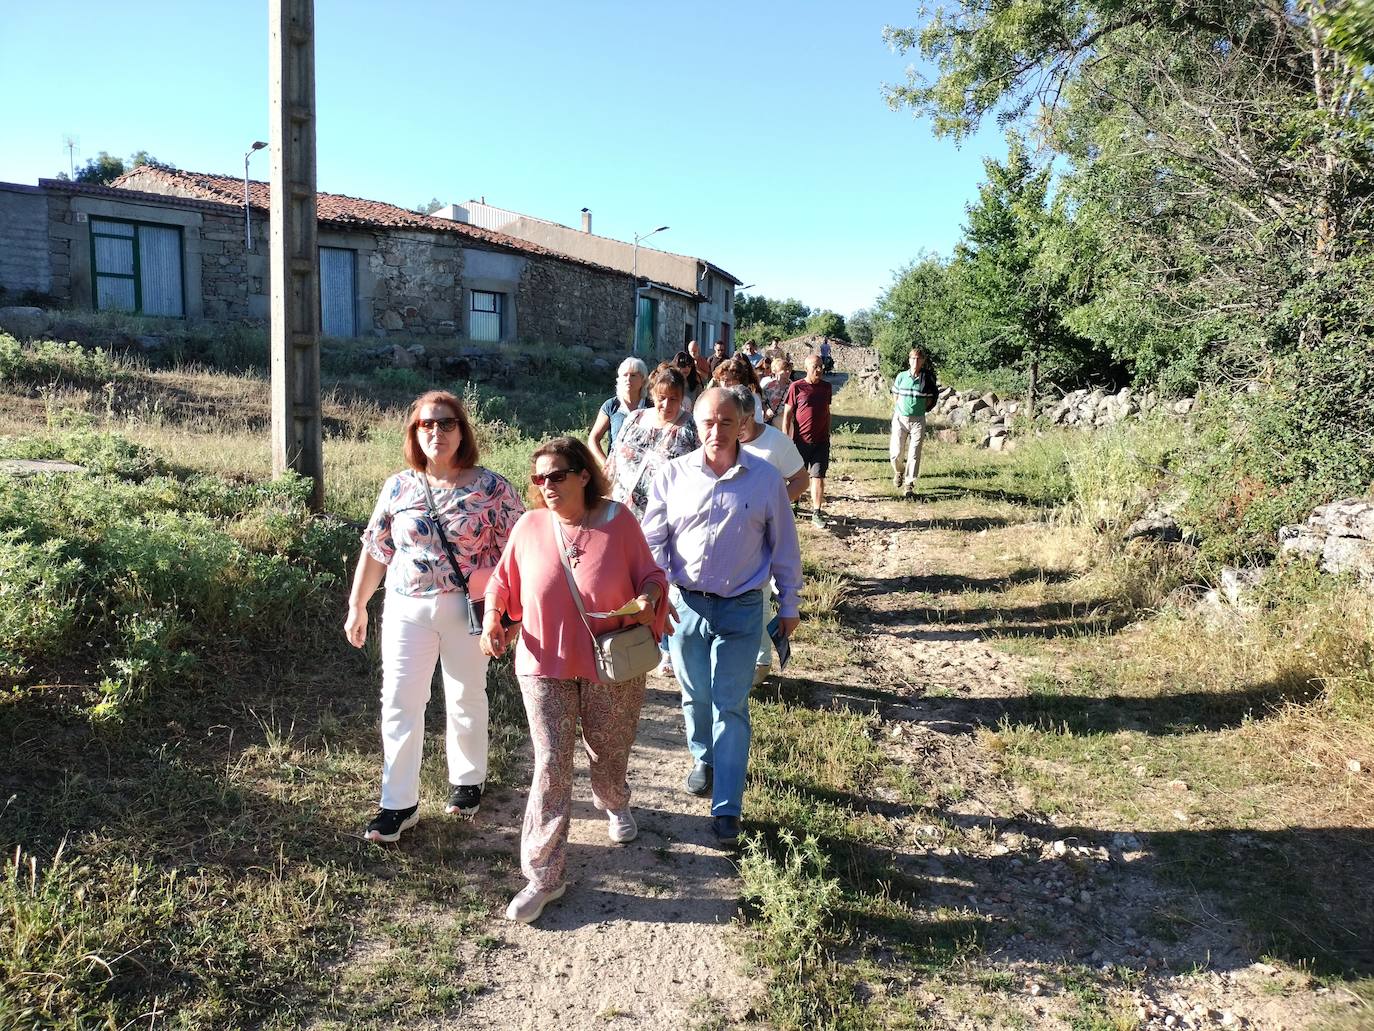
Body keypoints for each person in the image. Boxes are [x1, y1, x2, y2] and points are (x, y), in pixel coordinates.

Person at [482, 437, 670, 924]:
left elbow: (652, 575)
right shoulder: (528, 525)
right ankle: (544, 875)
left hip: (612, 662)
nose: (546, 486)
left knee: (609, 748)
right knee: (551, 759)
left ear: (583, 475)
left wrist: (649, 600)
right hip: (544, 661)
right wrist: (492, 623)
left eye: (557, 476)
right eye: (539, 478)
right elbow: (501, 584)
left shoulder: (618, 520)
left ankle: (613, 799)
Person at [346, 390, 525, 844]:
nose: (436, 432)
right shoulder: (398, 486)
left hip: (468, 609)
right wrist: (357, 604)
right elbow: (377, 549)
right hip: (406, 608)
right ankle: (397, 804)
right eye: (426, 424)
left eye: (446, 423)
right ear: (414, 432)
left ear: (462, 430)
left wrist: (511, 616)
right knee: (400, 701)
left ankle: (468, 781)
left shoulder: (492, 487)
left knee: (467, 694)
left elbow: (520, 554)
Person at [642, 388, 803, 847]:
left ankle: (728, 805)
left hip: (742, 609)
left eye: (726, 423)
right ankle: (703, 759)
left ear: (742, 424)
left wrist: (789, 604)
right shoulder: (671, 476)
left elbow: (785, 549)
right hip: (686, 606)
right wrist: (655, 594)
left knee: (730, 705)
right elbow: (654, 544)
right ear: (696, 423)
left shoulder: (766, 480)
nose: (716, 431)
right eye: (708, 422)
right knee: (694, 695)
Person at [606, 365, 700, 676]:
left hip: (669, 519)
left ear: (682, 398)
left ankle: (665, 647)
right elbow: (614, 461)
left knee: (662, 579)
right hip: (624, 513)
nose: (666, 405)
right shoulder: (634, 419)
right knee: (624, 578)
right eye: (661, 398)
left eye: (673, 399)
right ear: (651, 395)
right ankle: (626, 639)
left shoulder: (691, 430)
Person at [727, 384, 808, 686]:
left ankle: (760, 662)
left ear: (752, 414)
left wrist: (774, 508)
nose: (734, 428)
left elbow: (800, 480)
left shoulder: (776, 443)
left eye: (739, 421)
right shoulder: (723, 442)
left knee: (759, 595)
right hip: (727, 538)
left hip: (762, 534)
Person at [783, 355, 834, 528]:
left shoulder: (827, 387)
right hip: (800, 441)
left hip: (821, 442)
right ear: (806, 368)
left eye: (820, 366)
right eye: (815, 366)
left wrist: (827, 434)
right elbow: (788, 414)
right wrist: (785, 438)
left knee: (818, 476)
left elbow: (827, 411)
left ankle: (817, 512)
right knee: (798, 475)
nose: (819, 370)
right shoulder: (796, 387)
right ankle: (793, 504)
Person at [891, 346, 938, 495]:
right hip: (900, 418)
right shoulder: (901, 376)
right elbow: (895, 396)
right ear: (909, 360)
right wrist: (900, 410)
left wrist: (920, 409)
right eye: (913, 358)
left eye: (918, 359)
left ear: (923, 361)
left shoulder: (927, 379)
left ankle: (909, 484)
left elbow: (931, 399)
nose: (915, 362)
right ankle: (899, 471)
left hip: (918, 420)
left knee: (914, 453)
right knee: (896, 452)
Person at [588, 357, 650, 466]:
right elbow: (593, 439)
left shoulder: (650, 407)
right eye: (625, 375)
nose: (628, 379)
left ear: (643, 379)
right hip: (617, 470)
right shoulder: (611, 406)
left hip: (643, 470)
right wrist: (606, 464)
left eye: (633, 375)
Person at [711, 355, 768, 425]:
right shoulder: (717, 400)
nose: (724, 384)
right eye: (721, 380)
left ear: (738, 380)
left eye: (728, 380)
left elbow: (757, 423)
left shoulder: (753, 399)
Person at [759, 356, 793, 430]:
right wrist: (766, 410)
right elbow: (762, 401)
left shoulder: (793, 387)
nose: (788, 372)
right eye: (784, 370)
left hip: (788, 421)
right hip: (772, 422)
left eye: (789, 369)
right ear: (776, 371)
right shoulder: (768, 386)